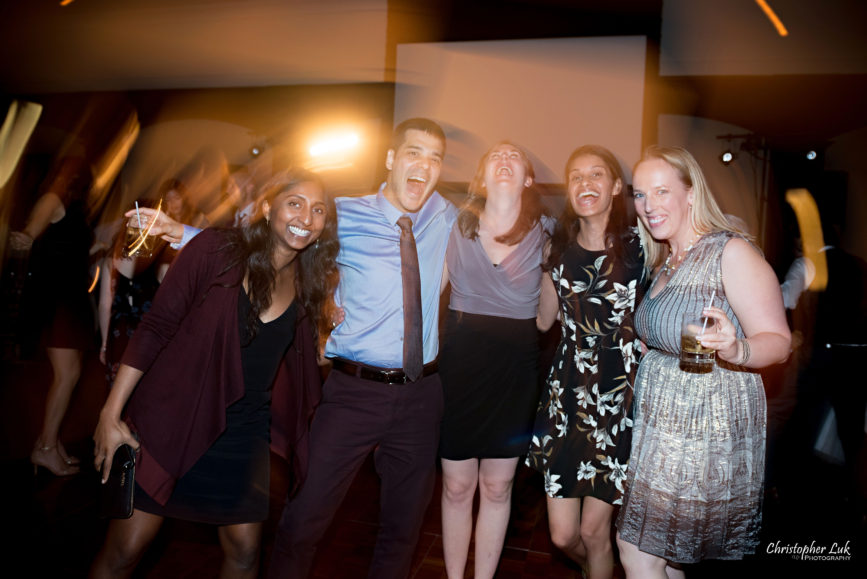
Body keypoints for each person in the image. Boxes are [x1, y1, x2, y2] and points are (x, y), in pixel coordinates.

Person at [90, 168, 339, 579]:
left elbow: (303, 359)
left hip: (244, 436)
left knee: (244, 553)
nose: (306, 217)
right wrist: (110, 413)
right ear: (266, 207)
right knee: (126, 549)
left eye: (317, 210)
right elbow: (155, 328)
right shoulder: (217, 250)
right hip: (175, 419)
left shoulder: (308, 282)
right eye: (295, 203)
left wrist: (335, 339)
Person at [267, 118, 457, 579]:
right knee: (305, 517)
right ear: (391, 159)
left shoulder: (448, 216)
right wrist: (185, 235)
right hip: (354, 392)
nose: (424, 166)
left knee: (403, 530)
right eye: (414, 152)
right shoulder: (341, 214)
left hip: (421, 394)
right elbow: (274, 243)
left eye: (435, 158)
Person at [615, 146, 791, 577]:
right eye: (640, 194)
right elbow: (670, 330)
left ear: (691, 193)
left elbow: (779, 341)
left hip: (702, 424)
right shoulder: (666, 261)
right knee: (668, 556)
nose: (649, 205)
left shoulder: (729, 252)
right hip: (661, 425)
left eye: (661, 191)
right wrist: (651, 345)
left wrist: (736, 350)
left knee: (637, 552)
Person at [526, 145, 645, 579]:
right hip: (568, 400)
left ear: (616, 187)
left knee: (596, 533)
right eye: (576, 176)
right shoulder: (556, 253)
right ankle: (599, 569)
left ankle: (600, 565)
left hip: (622, 399)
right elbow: (543, 321)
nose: (585, 184)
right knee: (562, 536)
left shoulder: (642, 249)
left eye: (597, 175)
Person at [438, 142, 552, 578]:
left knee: (498, 485)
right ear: (481, 177)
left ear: (528, 178)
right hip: (461, 365)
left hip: (515, 371)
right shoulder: (454, 224)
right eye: (494, 155)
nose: (504, 158)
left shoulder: (548, 232)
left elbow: (545, 321)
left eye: (515, 155)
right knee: (456, 485)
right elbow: (430, 296)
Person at [10, 156, 95, 476]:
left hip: (69, 299)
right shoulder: (52, 199)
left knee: (69, 375)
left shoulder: (73, 206)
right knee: (66, 375)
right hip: (59, 300)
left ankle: (49, 442)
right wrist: (23, 236)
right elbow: (28, 237)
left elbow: (67, 248)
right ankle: (44, 447)